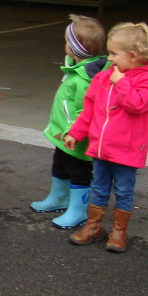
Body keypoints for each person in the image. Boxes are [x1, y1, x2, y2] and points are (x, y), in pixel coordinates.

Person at [64, 22, 148, 253]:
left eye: (114, 54)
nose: (109, 58)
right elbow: (89, 110)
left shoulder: (145, 80)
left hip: (126, 151)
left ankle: (119, 231)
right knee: (98, 187)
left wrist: (122, 83)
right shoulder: (102, 78)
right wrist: (75, 133)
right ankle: (93, 226)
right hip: (101, 148)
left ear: (133, 56)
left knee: (124, 191)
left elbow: (137, 104)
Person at [30, 15, 108, 229]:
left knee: (79, 171)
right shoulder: (76, 70)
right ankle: (59, 198)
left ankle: (78, 210)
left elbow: (85, 111)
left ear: (74, 48)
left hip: (76, 137)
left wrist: (73, 133)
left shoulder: (85, 79)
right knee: (60, 165)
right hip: (64, 135)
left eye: (67, 41)